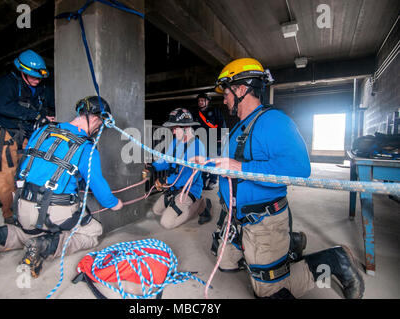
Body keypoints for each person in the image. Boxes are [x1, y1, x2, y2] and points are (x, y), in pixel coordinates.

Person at [194, 58, 364, 299]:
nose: (224, 98)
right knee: (225, 263)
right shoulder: (240, 127)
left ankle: (335, 259)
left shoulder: (273, 122)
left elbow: (298, 169)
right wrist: (208, 163)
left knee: (267, 291)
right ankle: (288, 245)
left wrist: (240, 167)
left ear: (241, 89)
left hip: (262, 220)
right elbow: (232, 165)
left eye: (227, 91)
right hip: (237, 218)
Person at [0, 96, 123, 279]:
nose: (98, 129)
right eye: (100, 124)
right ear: (95, 118)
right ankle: (45, 246)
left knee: (30, 231)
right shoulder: (87, 149)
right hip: (54, 211)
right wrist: (115, 204)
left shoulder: (43, 131)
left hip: (22, 205)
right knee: (93, 232)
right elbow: (101, 190)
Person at [0, 49, 55, 224]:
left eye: (39, 77)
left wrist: (48, 117)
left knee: (28, 171)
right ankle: (9, 214)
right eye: (31, 76)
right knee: (7, 174)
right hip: (6, 133)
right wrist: (35, 116)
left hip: (27, 134)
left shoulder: (41, 89)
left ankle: (28, 206)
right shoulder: (6, 84)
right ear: (22, 71)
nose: (36, 80)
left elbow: (51, 104)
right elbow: (5, 107)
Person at [146, 108, 212, 229]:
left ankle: (199, 203)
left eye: (175, 128)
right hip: (174, 186)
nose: (173, 132)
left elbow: (191, 176)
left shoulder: (198, 146)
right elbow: (167, 160)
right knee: (157, 211)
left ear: (186, 128)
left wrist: (167, 182)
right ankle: (178, 203)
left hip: (189, 188)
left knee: (166, 223)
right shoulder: (175, 142)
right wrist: (153, 167)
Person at [192, 93, 226, 190]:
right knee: (201, 160)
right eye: (199, 101)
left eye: (203, 100)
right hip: (201, 140)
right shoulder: (195, 113)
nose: (200, 102)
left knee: (213, 160)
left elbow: (221, 123)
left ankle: (213, 180)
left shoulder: (215, 111)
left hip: (214, 139)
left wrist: (221, 138)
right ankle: (202, 180)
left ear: (207, 102)